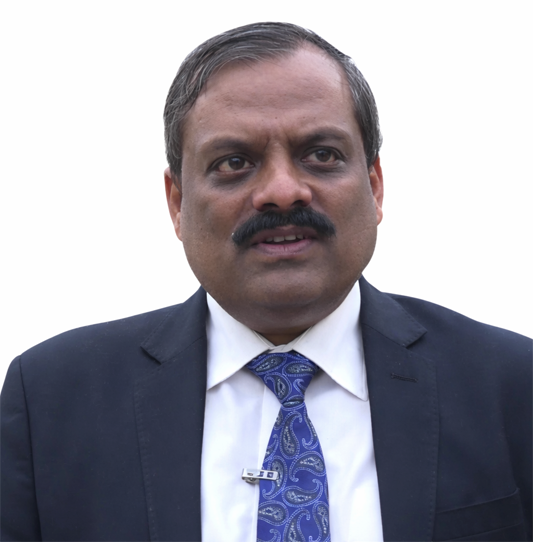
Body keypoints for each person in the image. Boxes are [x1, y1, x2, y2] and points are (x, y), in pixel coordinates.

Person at [1, 21, 532, 542]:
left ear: (375, 186)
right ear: (177, 202)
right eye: (234, 162)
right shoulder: (52, 399)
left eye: (321, 155)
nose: (282, 191)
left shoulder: (510, 387)